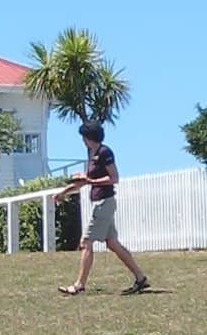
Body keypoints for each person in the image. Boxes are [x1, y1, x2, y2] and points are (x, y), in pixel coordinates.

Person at [54, 121, 150, 296]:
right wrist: (64, 192)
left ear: (89, 137)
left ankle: (79, 285)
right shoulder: (92, 154)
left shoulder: (105, 152)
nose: (82, 140)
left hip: (104, 203)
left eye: (84, 136)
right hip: (102, 203)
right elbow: (85, 180)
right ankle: (140, 278)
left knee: (86, 242)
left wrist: (91, 181)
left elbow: (114, 178)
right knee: (112, 243)